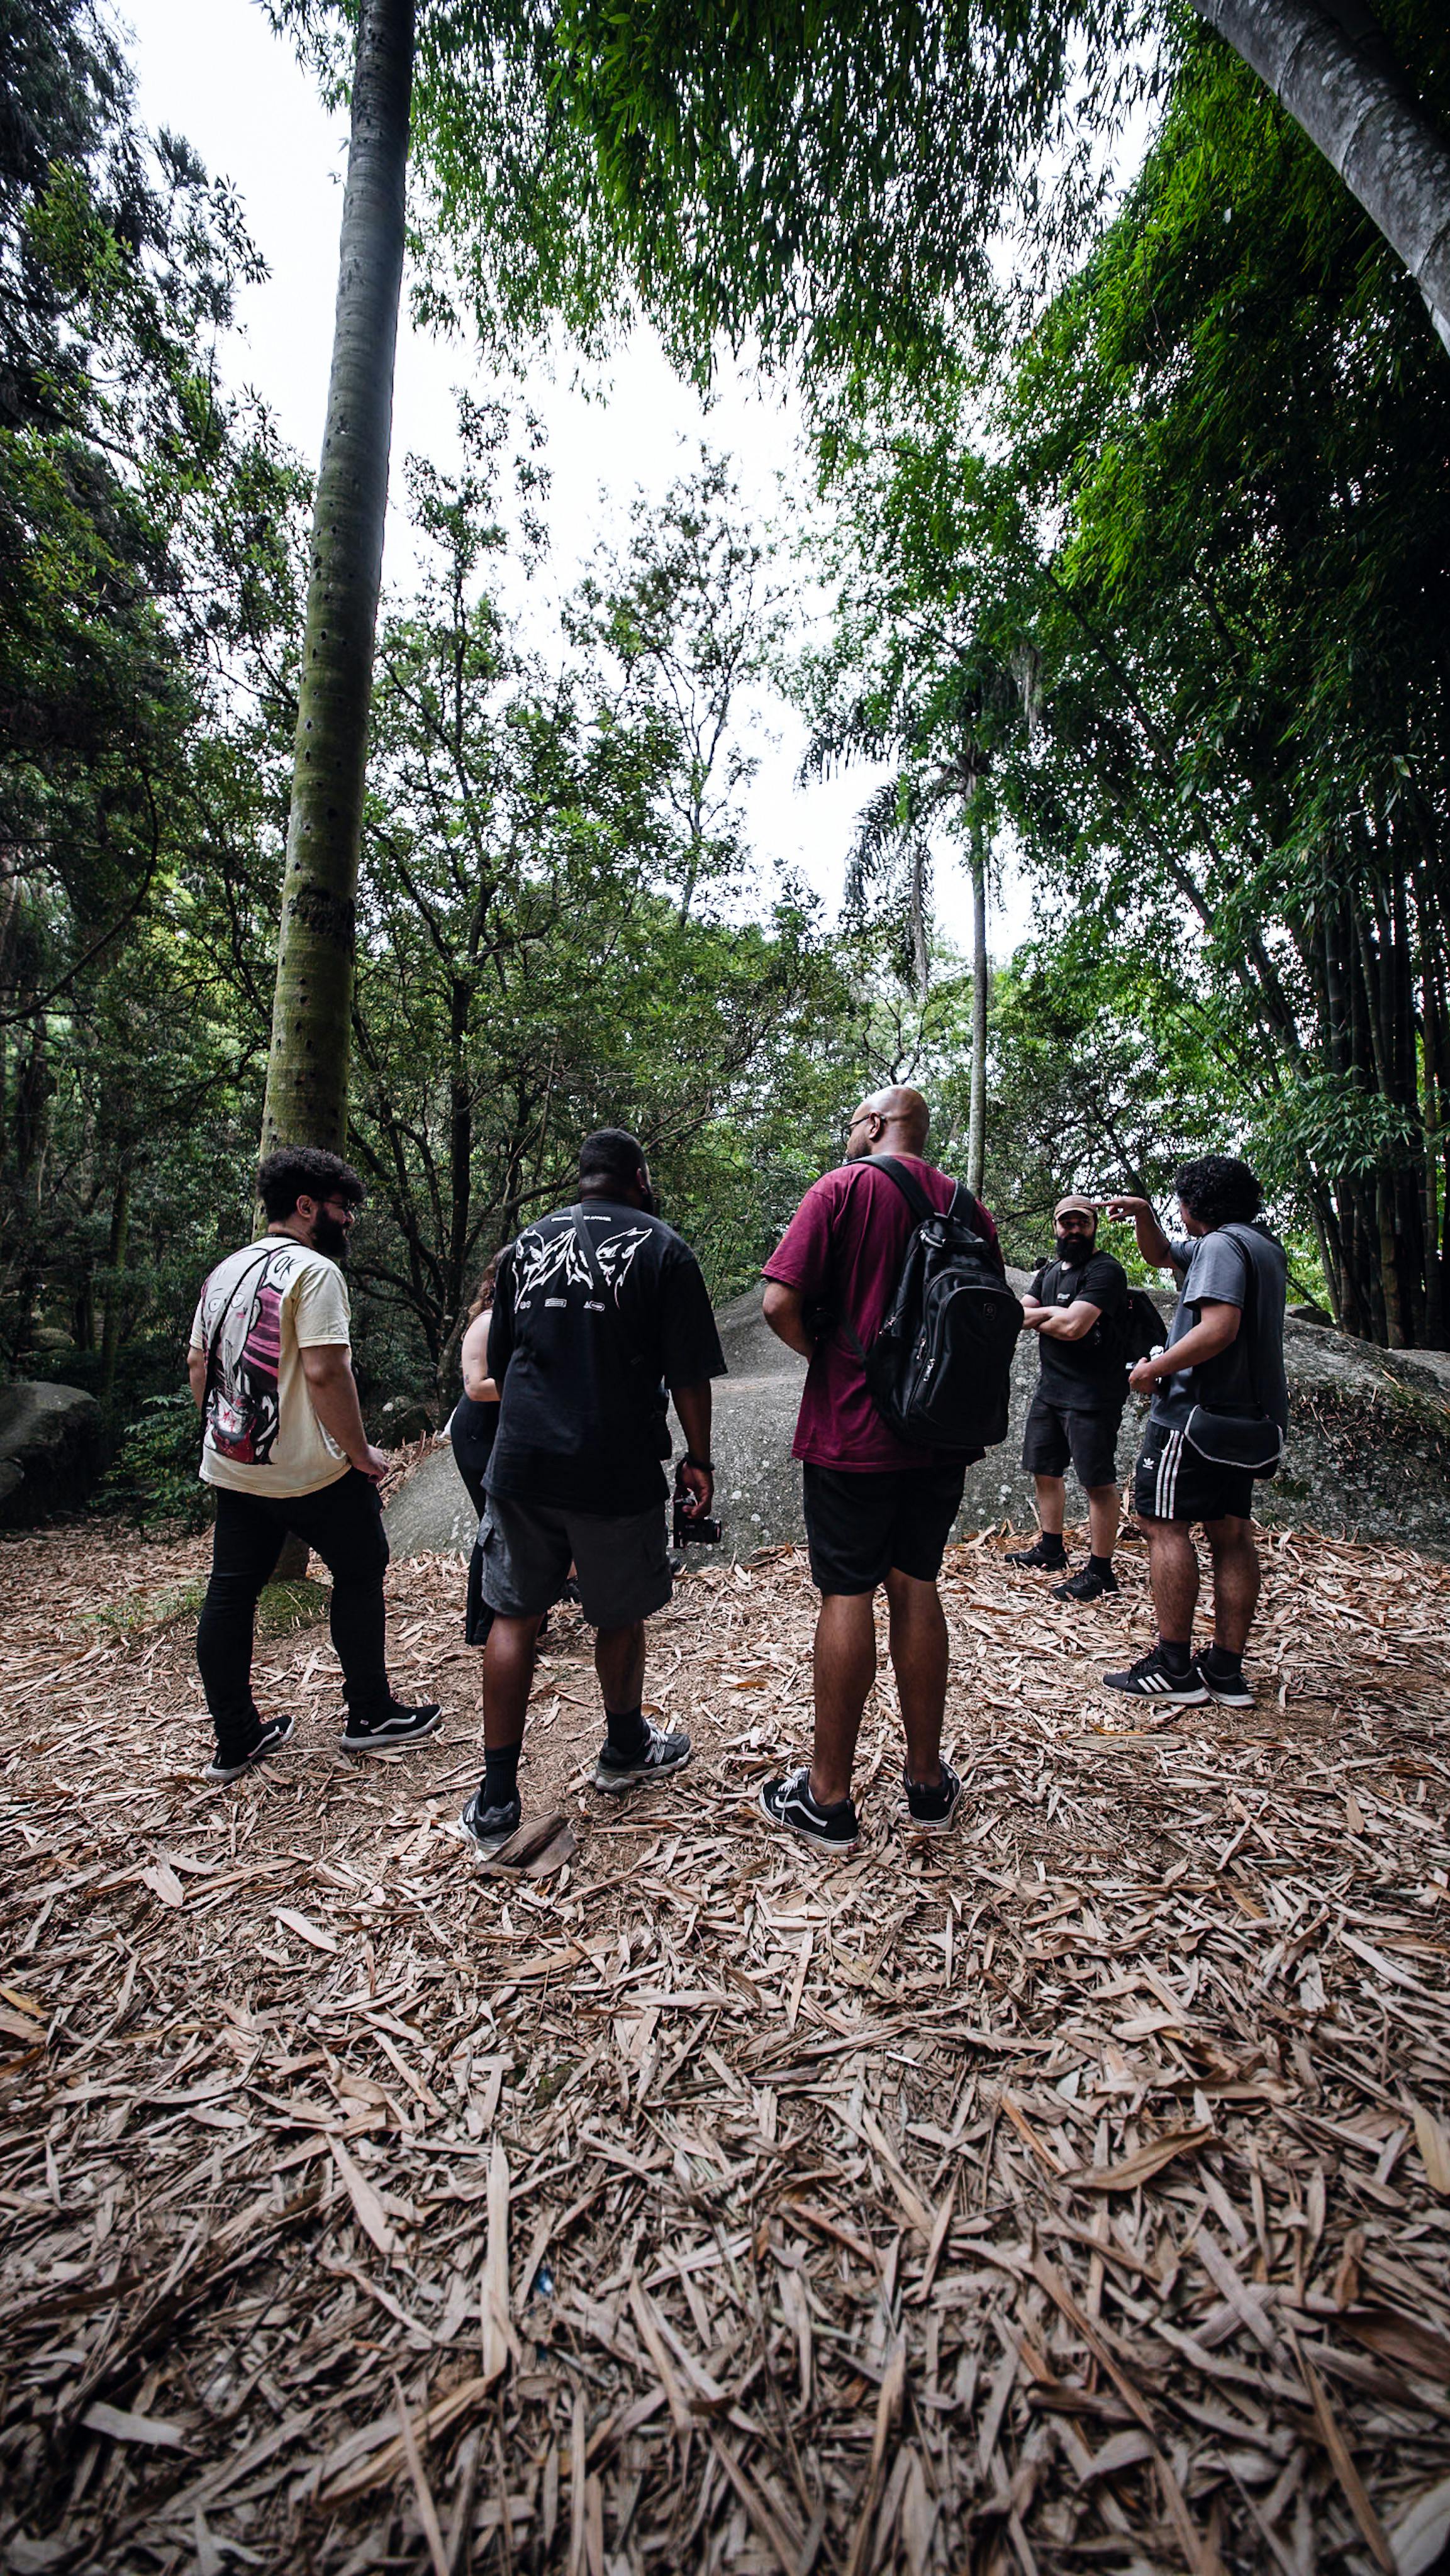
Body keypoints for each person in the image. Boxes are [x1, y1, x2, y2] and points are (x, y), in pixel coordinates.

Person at [455, 1128, 726, 1854]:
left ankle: (495, 1796)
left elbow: (505, 1358)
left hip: (521, 1462)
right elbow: (688, 1374)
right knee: (619, 1613)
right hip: (615, 1463)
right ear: (639, 1176)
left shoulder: (524, 1247)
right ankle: (625, 1745)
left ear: (582, 1180)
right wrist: (698, 1460)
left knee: (514, 1616)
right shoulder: (665, 1249)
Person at [758, 1085, 1005, 1851]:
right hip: (938, 1431)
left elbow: (776, 1303)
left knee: (845, 1591)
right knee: (916, 1580)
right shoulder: (970, 1209)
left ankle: (828, 1798)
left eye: (851, 1121)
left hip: (854, 1433)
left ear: (871, 1124)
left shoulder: (842, 1188)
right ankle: (926, 1781)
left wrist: (829, 1358)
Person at [187, 1147, 441, 1780]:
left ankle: (236, 1738)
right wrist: (361, 1455)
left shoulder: (226, 1270)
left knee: (230, 1591)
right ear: (306, 1207)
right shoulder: (314, 1271)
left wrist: (227, 1434)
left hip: (235, 1465)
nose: (348, 1220)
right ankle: (370, 1714)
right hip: (309, 1468)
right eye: (341, 1208)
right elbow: (328, 1370)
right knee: (361, 1568)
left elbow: (199, 1367)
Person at [1102, 1157, 1288, 1708]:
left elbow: (1218, 1327)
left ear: (1193, 1206)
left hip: (1194, 1417)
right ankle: (1226, 1671)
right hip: (1248, 1421)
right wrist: (1140, 1215)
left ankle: (1173, 1666)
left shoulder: (1218, 1249)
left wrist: (1151, 1371)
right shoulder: (1260, 1247)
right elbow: (1160, 1254)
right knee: (1231, 1534)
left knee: (1161, 1524)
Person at [1008, 1196, 1129, 1601]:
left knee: (1097, 1482)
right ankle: (1051, 1548)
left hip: (1094, 1394)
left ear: (1094, 1225)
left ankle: (1100, 1570)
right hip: (1051, 1390)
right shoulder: (1049, 1271)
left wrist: (1043, 1318)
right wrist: (1050, 1318)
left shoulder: (1106, 1270)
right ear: (1056, 1226)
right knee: (1045, 1470)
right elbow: (1015, 1317)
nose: (1073, 1230)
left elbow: (1076, 1326)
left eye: (1081, 1223)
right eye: (1066, 1223)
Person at [451, 1257, 503, 1650]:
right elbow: (476, 1386)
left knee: (510, 1524)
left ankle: (514, 1618)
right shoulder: (485, 1323)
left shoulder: (513, 1319)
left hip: (503, 1429)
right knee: (494, 1524)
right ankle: (483, 1627)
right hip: (477, 1433)